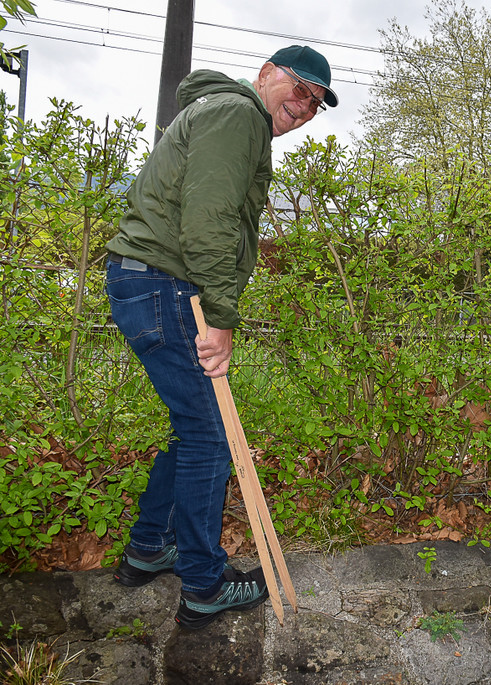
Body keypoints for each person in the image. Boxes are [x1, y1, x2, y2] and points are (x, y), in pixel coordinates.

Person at [105, 45, 338, 630]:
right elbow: (208, 220)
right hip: (168, 286)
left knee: (195, 429)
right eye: (299, 89)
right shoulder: (238, 116)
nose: (304, 105)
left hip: (150, 283)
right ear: (265, 75)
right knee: (211, 438)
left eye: (315, 102)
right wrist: (221, 316)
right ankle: (205, 585)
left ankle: (148, 549)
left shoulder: (230, 116)